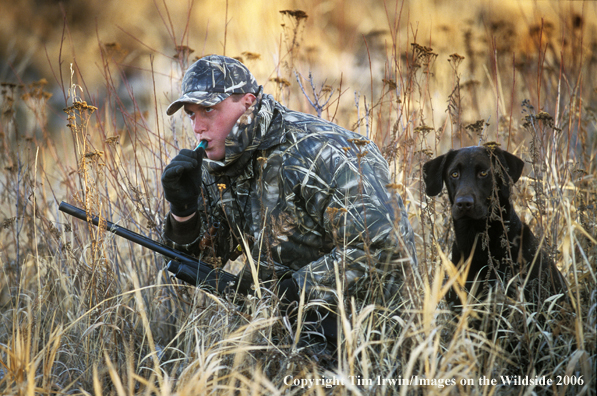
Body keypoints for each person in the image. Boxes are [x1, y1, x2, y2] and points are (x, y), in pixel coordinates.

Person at [161, 55, 417, 349]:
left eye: (209, 109)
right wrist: (183, 211)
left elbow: (386, 244)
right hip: (288, 334)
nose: (198, 127)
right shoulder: (217, 163)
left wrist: (295, 291)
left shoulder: (318, 150)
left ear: (247, 103)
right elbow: (205, 262)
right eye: (192, 114)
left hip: (374, 336)